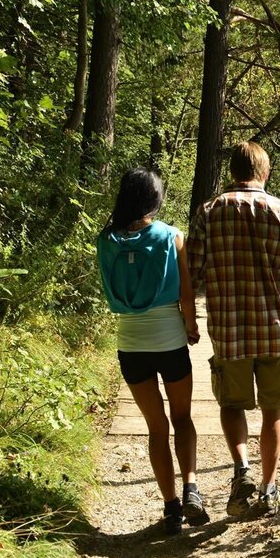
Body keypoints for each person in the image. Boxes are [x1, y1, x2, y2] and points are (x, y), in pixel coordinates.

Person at [188, 141, 280, 517]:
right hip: (275, 328)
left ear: (233, 171)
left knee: (232, 405)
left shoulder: (209, 212)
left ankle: (242, 472)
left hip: (228, 327)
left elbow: (193, 273)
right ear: (264, 172)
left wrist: (186, 318)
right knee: (273, 408)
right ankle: (268, 488)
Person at [96, 167, 208, 535]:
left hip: (130, 345)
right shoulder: (171, 236)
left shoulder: (105, 241)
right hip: (170, 342)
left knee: (156, 427)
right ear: (153, 200)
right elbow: (186, 295)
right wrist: (191, 327)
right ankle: (192, 487)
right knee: (183, 419)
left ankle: (171, 508)